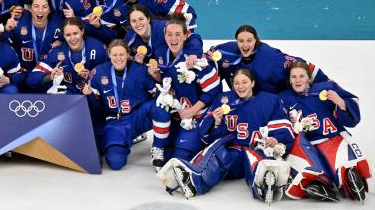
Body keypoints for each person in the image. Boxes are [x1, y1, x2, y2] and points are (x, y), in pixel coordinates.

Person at [158, 69, 295, 204]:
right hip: (233, 151)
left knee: (257, 162)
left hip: (256, 149)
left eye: (244, 82)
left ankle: (263, 186)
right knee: (220, 157)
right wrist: (217, 123)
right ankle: (194, 180)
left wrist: (276, 139)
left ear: (252, 83)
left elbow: (283, 127)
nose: (240, 86)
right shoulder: (224, 99)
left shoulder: (269, 100)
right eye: (236, 83)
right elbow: (206, 137)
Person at [279, 61, 370, 202]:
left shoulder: (327, 88)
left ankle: (348, 176)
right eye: (294, 77)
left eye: (301, 76)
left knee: (341, 166)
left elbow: (352, 116)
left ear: (309, 78)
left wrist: (341, 103)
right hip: (303, 144)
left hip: (331, 138)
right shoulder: (283, 98)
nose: (297, 80)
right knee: (308, 168)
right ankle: (317, 183)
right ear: (289, 80)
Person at [147, 16, 222, 165]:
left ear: (186, 35)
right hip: (176, 114)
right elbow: (167, 82)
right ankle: (159, 146)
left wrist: (193, 110)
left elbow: (214, 91)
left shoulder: (196, 60)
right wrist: (157, 76)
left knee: (180, 157)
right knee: (167, 152)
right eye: (169, 34)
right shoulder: (161, 53)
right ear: (164, 35)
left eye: (177, 34)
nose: (173, 38)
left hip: (195, 116)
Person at [82, 40, 166, 170]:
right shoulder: (98, 72)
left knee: (161, 106)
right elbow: (96, 108)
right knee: (116, 162)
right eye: (114, 55)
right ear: (109, 55)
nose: (118, 58)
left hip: (137, 117)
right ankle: (122, 141)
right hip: (116, 122)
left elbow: (158, 94)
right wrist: (89, 95)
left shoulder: (140, 70)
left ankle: (160, 148)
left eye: (122, 54)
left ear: (128, 54)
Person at [208, 25, 329, 94]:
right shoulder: (227, 50)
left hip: (274, 101)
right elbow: (209, 55)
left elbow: (301, 65)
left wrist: (327, 82)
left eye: (249, 41)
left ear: (256, 40)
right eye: (241, 41)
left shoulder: (271, 58)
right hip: (243, 100)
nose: (245, 45)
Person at [26, 17, 107, 94]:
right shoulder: (58, 51)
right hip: (69, 95)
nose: (72, 38)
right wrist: (50, 77)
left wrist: (90, 78)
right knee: (56, 91)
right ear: (63, 35)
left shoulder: (98, 48)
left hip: (92, 96)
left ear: (82, 31)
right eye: (68, 35)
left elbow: (108, 77)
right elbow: (31, 79)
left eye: (75, 33)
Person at [126, 5, 203, 67]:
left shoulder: (164, 28)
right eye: (133, 21)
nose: (138, 24)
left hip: (177, 65)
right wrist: (137, 63)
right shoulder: (130, 38)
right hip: (156, 72)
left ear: (148, 19)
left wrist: (193, 53)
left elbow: (193, 37)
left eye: (141, 19)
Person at [5, 0, 63, 74]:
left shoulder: (58, 27)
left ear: (49, 9)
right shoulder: (18, 25)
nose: (40, 10)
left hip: (49, 75)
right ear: (30, 8)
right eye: (36, 6)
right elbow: (3, 47)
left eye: (45, 7)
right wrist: (6, 30)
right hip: (23, 76)